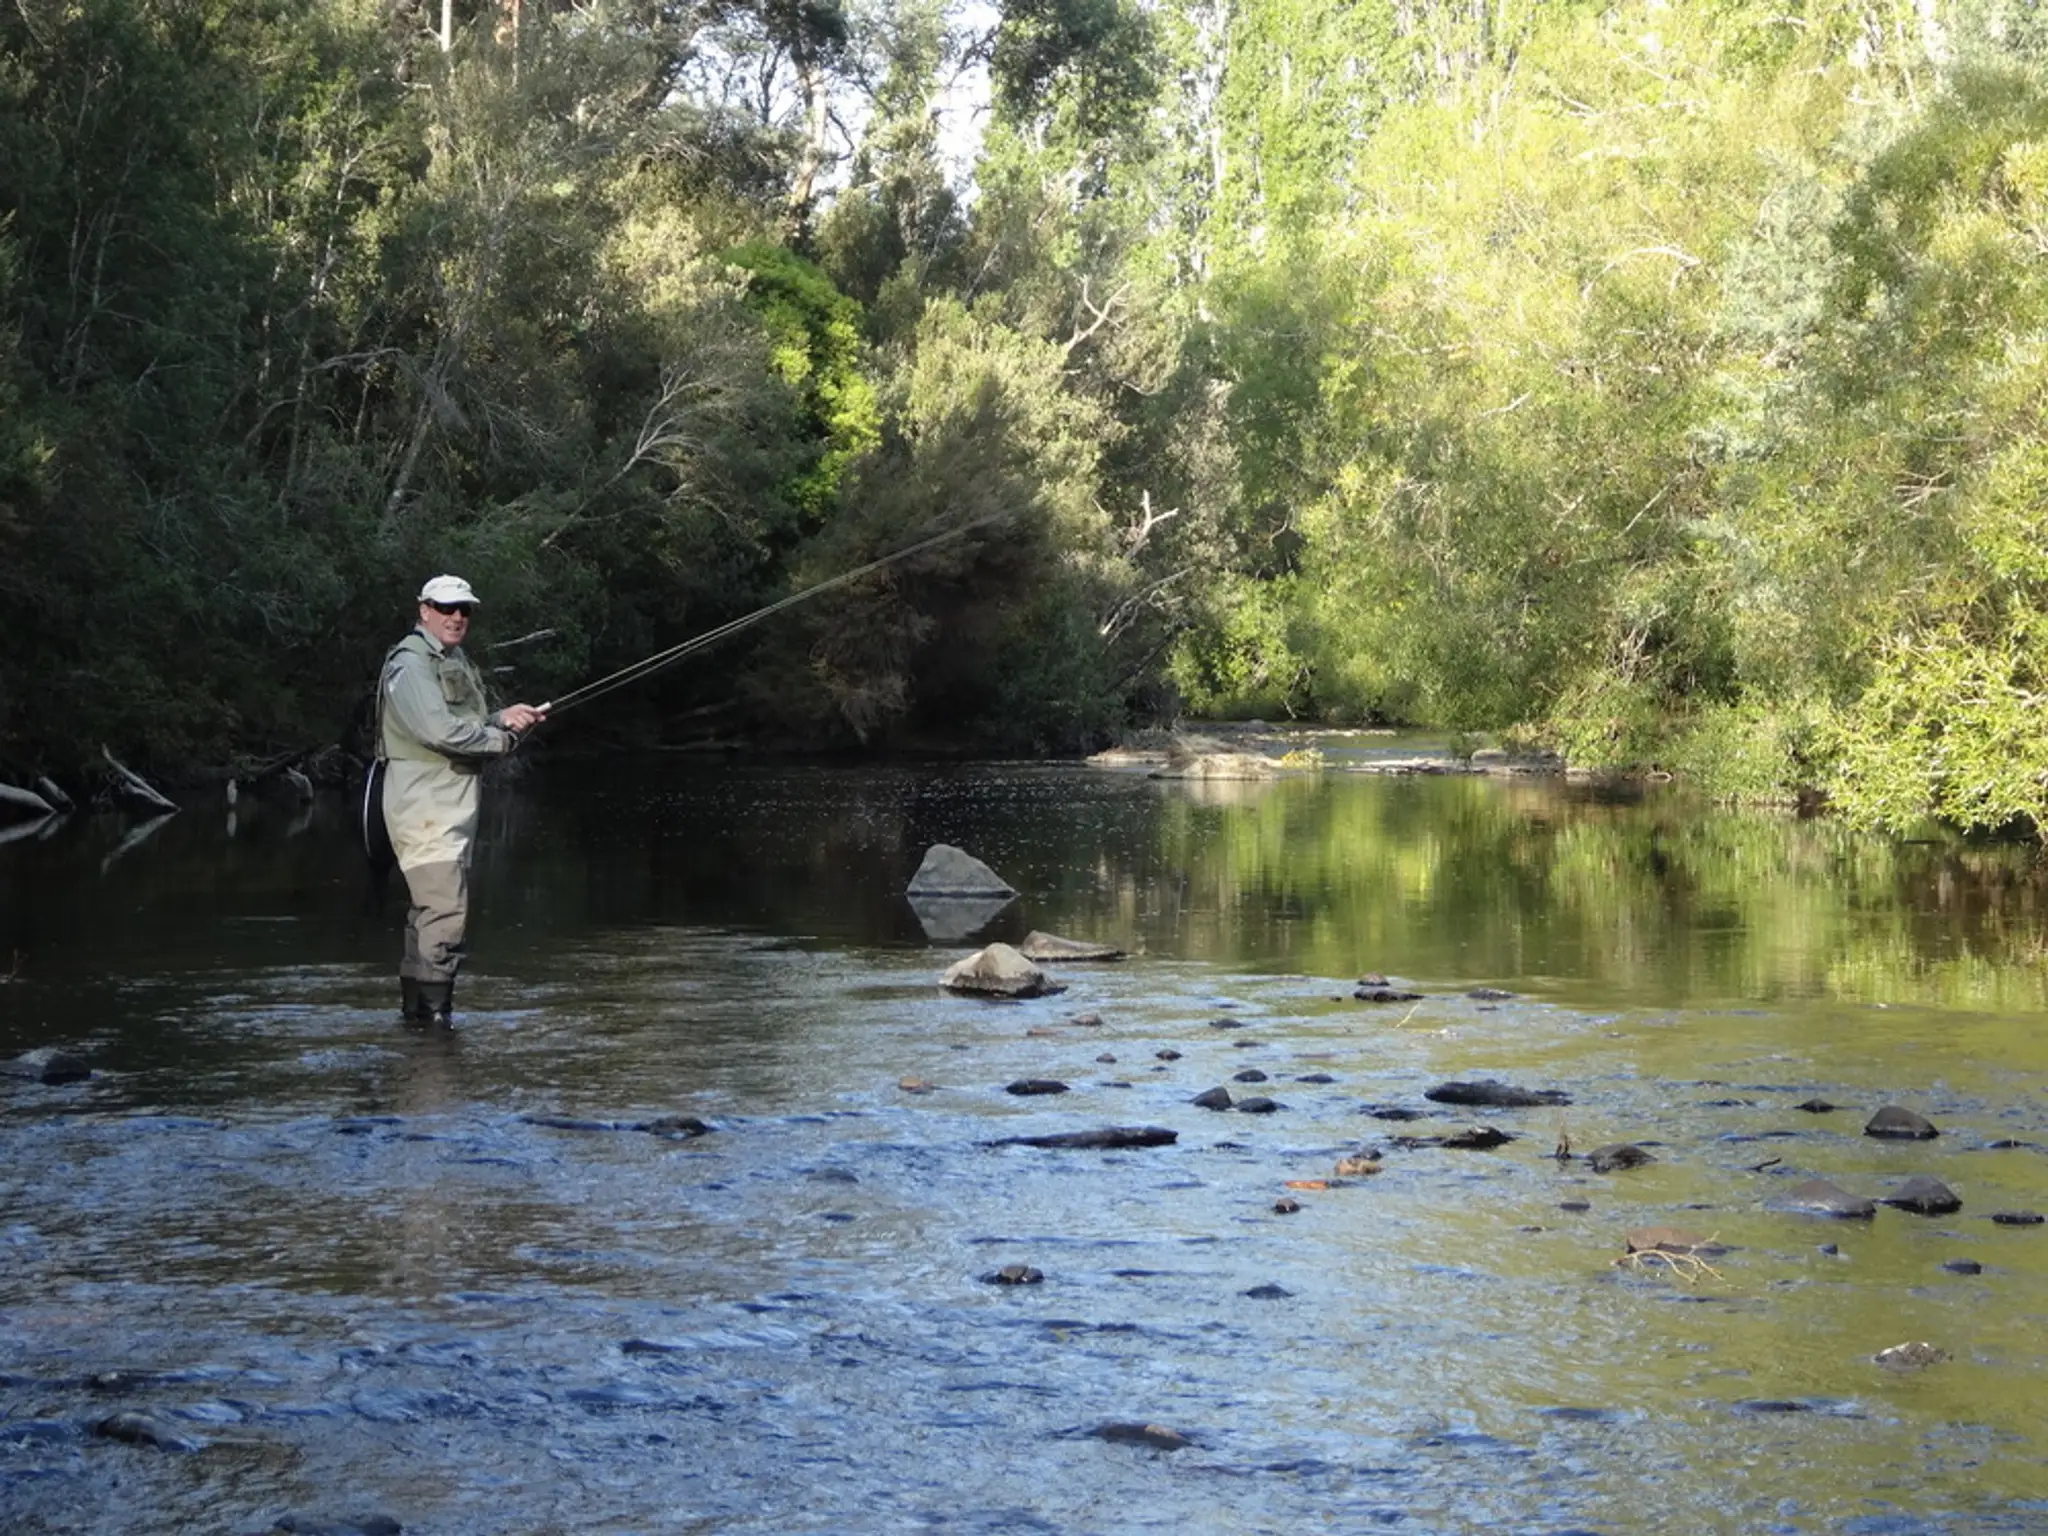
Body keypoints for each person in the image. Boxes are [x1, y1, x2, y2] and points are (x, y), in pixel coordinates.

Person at [375, 574, 547, 1025]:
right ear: (423, 610)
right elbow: (438, 732)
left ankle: (417, 1021)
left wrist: (500, 718)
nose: (457, 617)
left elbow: (453, 721)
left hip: (442, 809)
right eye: (447, 608)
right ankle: (433, 1027)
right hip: (424, 810)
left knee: (429, 915)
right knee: (445, 915)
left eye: (464, 610)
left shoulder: (446, 659)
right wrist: (501, 741)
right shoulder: (411, 666)